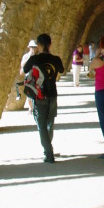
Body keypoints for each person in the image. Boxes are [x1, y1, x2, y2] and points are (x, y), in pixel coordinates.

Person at [23, 33, 64, 163]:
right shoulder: (56, 59)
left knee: (41, 124)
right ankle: (48, 147)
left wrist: (33, 54)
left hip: (40, 94)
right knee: (49, 123)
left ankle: (48, 152)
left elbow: (25, 69)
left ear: (38, 45)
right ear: (50, 44)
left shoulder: (35, 59)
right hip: (53, 94)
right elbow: (61, 70)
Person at [16, 40, 37, 113]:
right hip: (28, 76)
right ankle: (30, 108)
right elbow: (22, 65)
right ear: (29, 48)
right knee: (29, 93)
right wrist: (30, 57)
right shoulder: (26, 56)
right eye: (32, 47)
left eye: (34, 47)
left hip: (36, 77)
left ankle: (35, 107)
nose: (33, 49)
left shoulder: (37, 56)